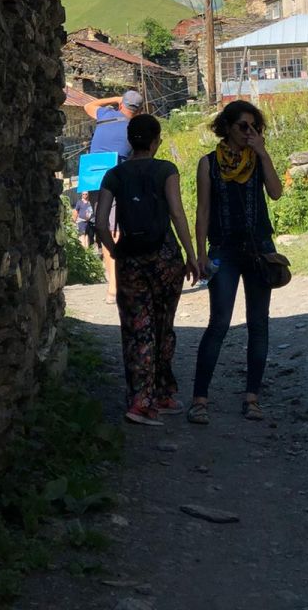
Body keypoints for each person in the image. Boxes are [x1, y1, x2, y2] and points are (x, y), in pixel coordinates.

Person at [94, 114, 199, 426]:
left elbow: (101, 223)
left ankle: (140, 401)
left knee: (137, 329)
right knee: (164, 326)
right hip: (165, 257)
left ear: (130, 141)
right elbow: (177, 214)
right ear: (156, 142)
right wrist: (191, 254)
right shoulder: (166, 169)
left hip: (131, 260)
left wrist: (115, 251)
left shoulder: (113, 175)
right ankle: (163, 394)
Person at [188, 100, 283, 425]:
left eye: (255, 126)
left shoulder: (257, 159)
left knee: (259, 324)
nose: (249, 132)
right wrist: (200, 253)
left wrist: (264, 153)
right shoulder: (208, 164)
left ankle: (252, 397)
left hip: (259, 248)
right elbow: (202, 210)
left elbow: (276, 193)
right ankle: (199, 400)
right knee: (219, 323)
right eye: (243, 126)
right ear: (227, 127)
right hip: (224, 250)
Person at [84, 90, 143, 303]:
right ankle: (115, 286)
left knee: (104, 229)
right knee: (115, 231)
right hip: (118, 178)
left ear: (121, 105)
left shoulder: (106, 115)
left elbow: (88, 106)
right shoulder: (135, 128)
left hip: (93, 178)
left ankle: (113, 284)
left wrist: (115, 99)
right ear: (139, 111)